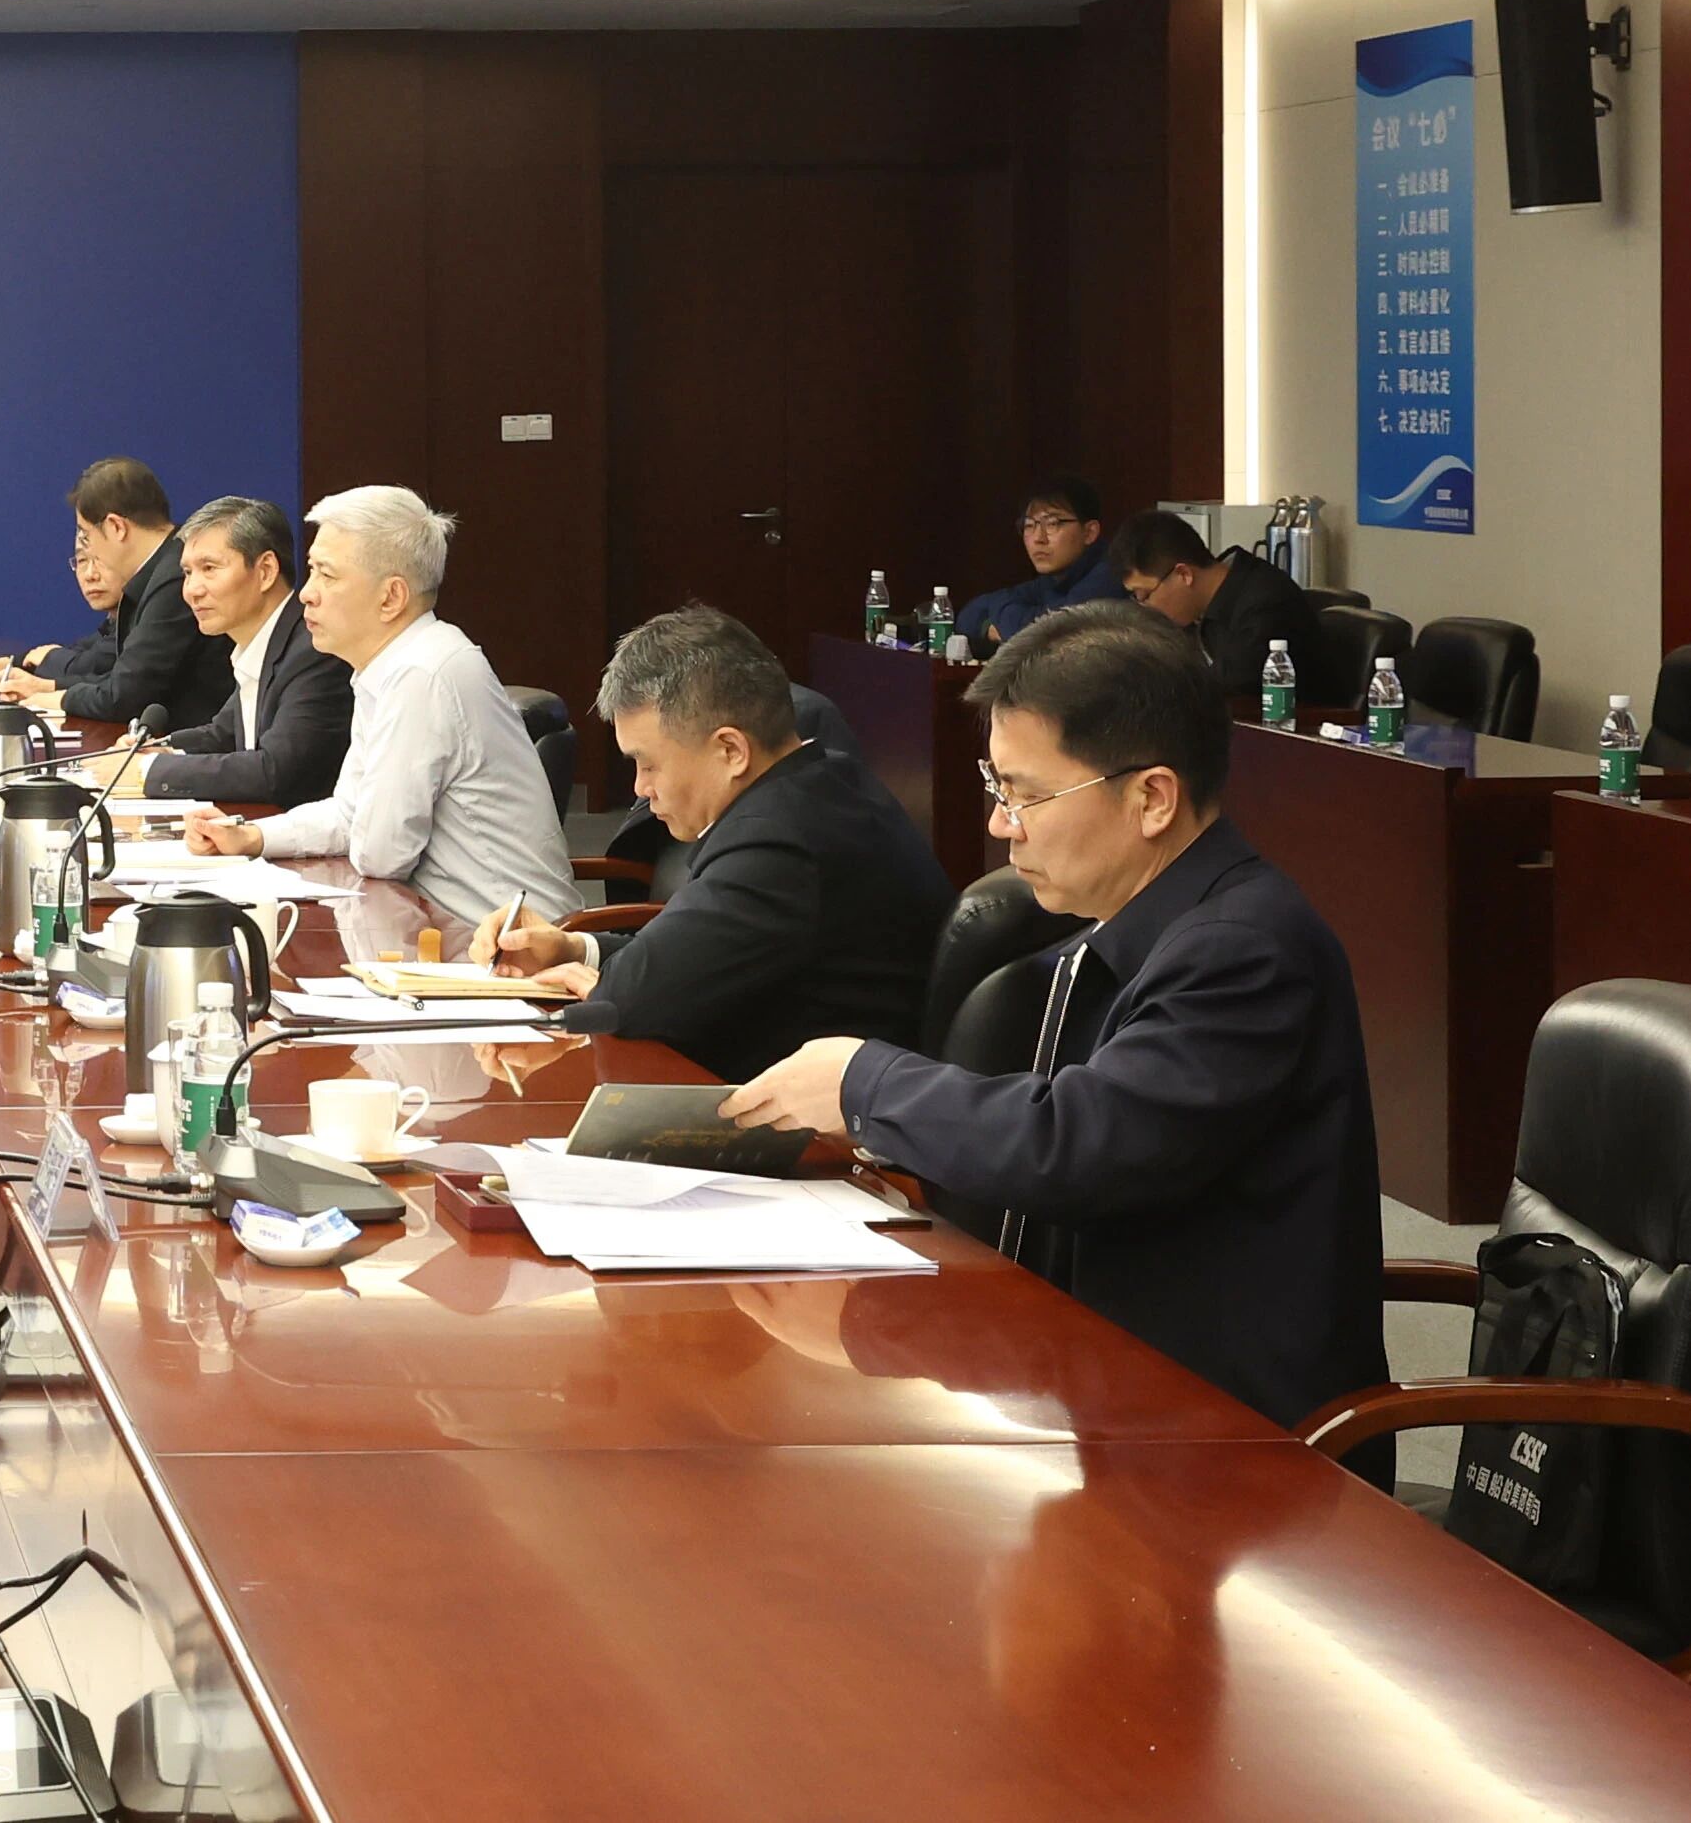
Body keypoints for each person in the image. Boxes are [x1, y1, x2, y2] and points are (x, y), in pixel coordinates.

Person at [719, 603, 1390, 1430]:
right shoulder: (1131, 927)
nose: (1000, 823)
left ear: (1152, 798)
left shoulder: (1245, 951)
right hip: (1103, 1379)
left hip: (1227, 1435)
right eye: (997, 787)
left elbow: (1080, 1144)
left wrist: (863, 1081)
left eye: (1026, 794)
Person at [485, 606, 949, 1081]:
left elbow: (633, 1003)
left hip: (822, 1117)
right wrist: (571, 949)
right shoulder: (827, 781)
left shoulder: (781, 842)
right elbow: (687, 951)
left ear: (731, 750)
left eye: (648, 764)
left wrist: (608, 986)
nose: (641, 788)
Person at [184, 484, 574, 934]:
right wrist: (252, 836)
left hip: (516, 948)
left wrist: (342, 828)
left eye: (327, 576)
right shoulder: (391, 668)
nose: (307, 593)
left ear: (391, 597)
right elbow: (349, 813)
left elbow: (381, 853)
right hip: (447, 930)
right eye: (311, 571)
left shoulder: (422, 674)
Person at [126, 495, 352, 809]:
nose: (192, 590)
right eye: (188, 572)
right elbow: (224, 734)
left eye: (209, 568)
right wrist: (154, 749)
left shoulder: (314, 650)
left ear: (266, 571)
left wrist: (150, 770)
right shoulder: (262, 642)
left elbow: (278, 771)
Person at [3, 457, 232, 731]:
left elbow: (125, 695)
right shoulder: (159, 569)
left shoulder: (175, 576)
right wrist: (49, 687)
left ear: (116, 527)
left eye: (86, 536)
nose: (90, 552)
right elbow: (119, 676)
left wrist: (48, 698)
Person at [1106, 509, 1324, 708]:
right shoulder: (1199, 608)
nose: (1144, 608)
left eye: (1144, 595)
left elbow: (1225, 689)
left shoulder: (1266, 604)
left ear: (1184, 574)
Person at [961, 475, 1114, 651]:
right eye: (1029, 525)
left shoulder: (1111, 575)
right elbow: (969, 615)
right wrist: (993, 627)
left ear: (1089, 532)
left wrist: (1003, 625)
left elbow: (1046, 633)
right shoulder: (1054, 579)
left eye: (1052, 524)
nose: (1038, 538)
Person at [0, 531, 126, 687]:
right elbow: (81, 651)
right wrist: (4, 664)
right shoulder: (113, 623)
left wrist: (44, 681)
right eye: (82, 560)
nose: (90, 575)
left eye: (102, 559)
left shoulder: (142, 620)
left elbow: (96, 667)